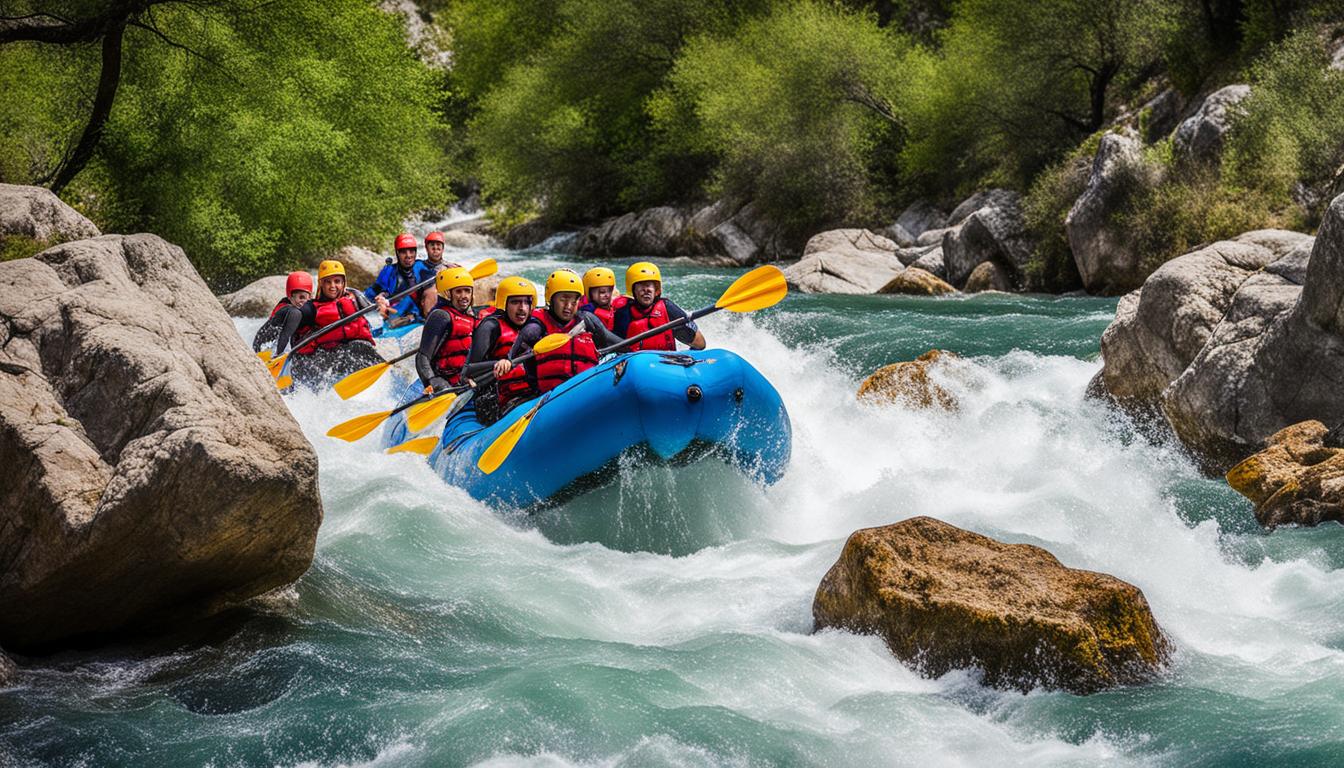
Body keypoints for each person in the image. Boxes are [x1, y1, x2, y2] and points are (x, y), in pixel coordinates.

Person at [512, 270, 624, 395]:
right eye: (563, 299)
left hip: (588, 391)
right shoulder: (535, 328)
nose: (569, 306)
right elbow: (512, 360)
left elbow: (618, 345)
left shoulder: (587, 321)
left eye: (574, 301)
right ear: (551, 299)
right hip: (550, 397)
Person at [460, 276, 537, 426]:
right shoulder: (490, 326)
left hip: (532, 393)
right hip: (500, 401)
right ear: (504, 304)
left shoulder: (536, 327)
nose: (522, 308)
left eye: (526, 302)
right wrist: (499, 364)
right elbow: (468, 371)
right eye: (515, 302)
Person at [274, 260, 385, 355]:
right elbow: (291, 321)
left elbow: (375, 313)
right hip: (323, 355)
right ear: (321, 284)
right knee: (352, 351)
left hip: (356, 348)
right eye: (328, 282)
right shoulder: (311, 308)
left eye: (337, 281)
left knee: (361, 347)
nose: (332, 286)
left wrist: (381, 305)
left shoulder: (355, 296)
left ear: (343, 283)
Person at [612, 262, 706, 351]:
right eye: (641, 285)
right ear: (633, 290)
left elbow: (700, 344)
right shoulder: (623, 313)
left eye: (649, 285)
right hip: (634, 363)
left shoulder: (668, 309)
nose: (646, 290)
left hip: (665, 362)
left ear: (656, 290)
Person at [415, 266, 477, 393]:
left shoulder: (473, 317)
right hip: (445, 382)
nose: (464, 296)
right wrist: (433, 380)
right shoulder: (441, 316)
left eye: (467, 291)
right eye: (459, 292)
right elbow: (422, 357)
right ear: (449, 294)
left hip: (464, 380)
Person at [367, 233, 434, 327]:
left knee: (430, 291)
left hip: (420, 314)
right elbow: (375, 291)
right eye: (403, 252)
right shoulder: (389, 271)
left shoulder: (422, 267)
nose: (408, 256)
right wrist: (381, 297)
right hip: (396, 315)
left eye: (411, 251)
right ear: (397, 253)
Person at [252, 271, 313, 352]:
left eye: (305, 298)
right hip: (262, 346)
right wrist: (278, 354)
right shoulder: (288, 309)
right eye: (300, 297)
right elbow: (285, 336)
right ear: (290, 297)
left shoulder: (307, 307)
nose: (303, 301)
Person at [579, 266, 627, 331]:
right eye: (602, 292)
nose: (606, 295)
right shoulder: (585, 311)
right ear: (589, 292)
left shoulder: (619, 305)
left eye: (609, 290)